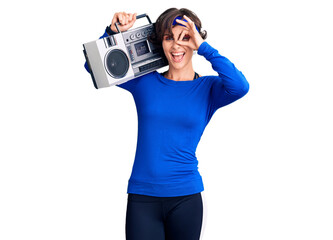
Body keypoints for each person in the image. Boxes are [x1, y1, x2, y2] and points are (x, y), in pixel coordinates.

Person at [84, 8, 249, 240]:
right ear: (160, 42)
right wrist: (111, 32)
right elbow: (95, 68)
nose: (176, 46)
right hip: (143, 197)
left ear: (195, 40)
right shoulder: (144, 81)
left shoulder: (209, 89)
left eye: (185, 37)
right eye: (169, 37)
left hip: (186, 198)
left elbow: (240, 86)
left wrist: (204, 48)